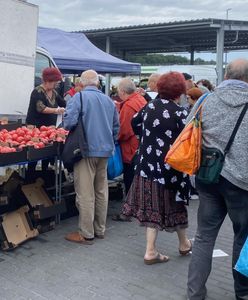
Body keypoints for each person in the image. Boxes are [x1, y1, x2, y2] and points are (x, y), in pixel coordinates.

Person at [187, 59, 248, 300]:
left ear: (226, 74)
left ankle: (195, 292)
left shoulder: (204, 99)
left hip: (208, 176)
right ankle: (242, 293)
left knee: (203, 236)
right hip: (242, 182)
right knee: (242, 237)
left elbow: (188, 129)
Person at [122, 72, 192, 264]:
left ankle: (153, 250)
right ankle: (182, 243)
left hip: (147, 168)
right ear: (179, 92)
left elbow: (134, 123)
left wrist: (146, 137)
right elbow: (188, 141)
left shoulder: (149, 107)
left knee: (151, 206)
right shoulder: (181, 113)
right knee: (176, 205)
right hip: (171, 171)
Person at [63, 70, 119, 245]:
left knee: (85, 194)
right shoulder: (109, 101)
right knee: (101, 191)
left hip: (85, 151)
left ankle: (86, 233)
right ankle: (100, 229)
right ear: (97, 83)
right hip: (105, 151)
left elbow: (68, 122)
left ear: (82, 83)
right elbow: (116, 128)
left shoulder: (78, 98)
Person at [112, 78, 146, 222]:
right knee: (137, 179)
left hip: (130, 148)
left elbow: (123, 130)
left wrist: (113, 139)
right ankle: (139, 207)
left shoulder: (128, 106)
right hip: (141, 145)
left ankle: (129, 211)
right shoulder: (140, 100)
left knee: (129, 179)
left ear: (122, 91)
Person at [26, 67, 66, 174]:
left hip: (49, 130)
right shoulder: (37, 92)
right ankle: (30, 178)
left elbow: (64, 103)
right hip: (36, 129)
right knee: (34, 156)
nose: (56, 84)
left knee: (47, 155)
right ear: (47, 81)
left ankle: (43, 177)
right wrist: (57, 110)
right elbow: (41, 108)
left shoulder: (54, 93)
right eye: (55, 82)